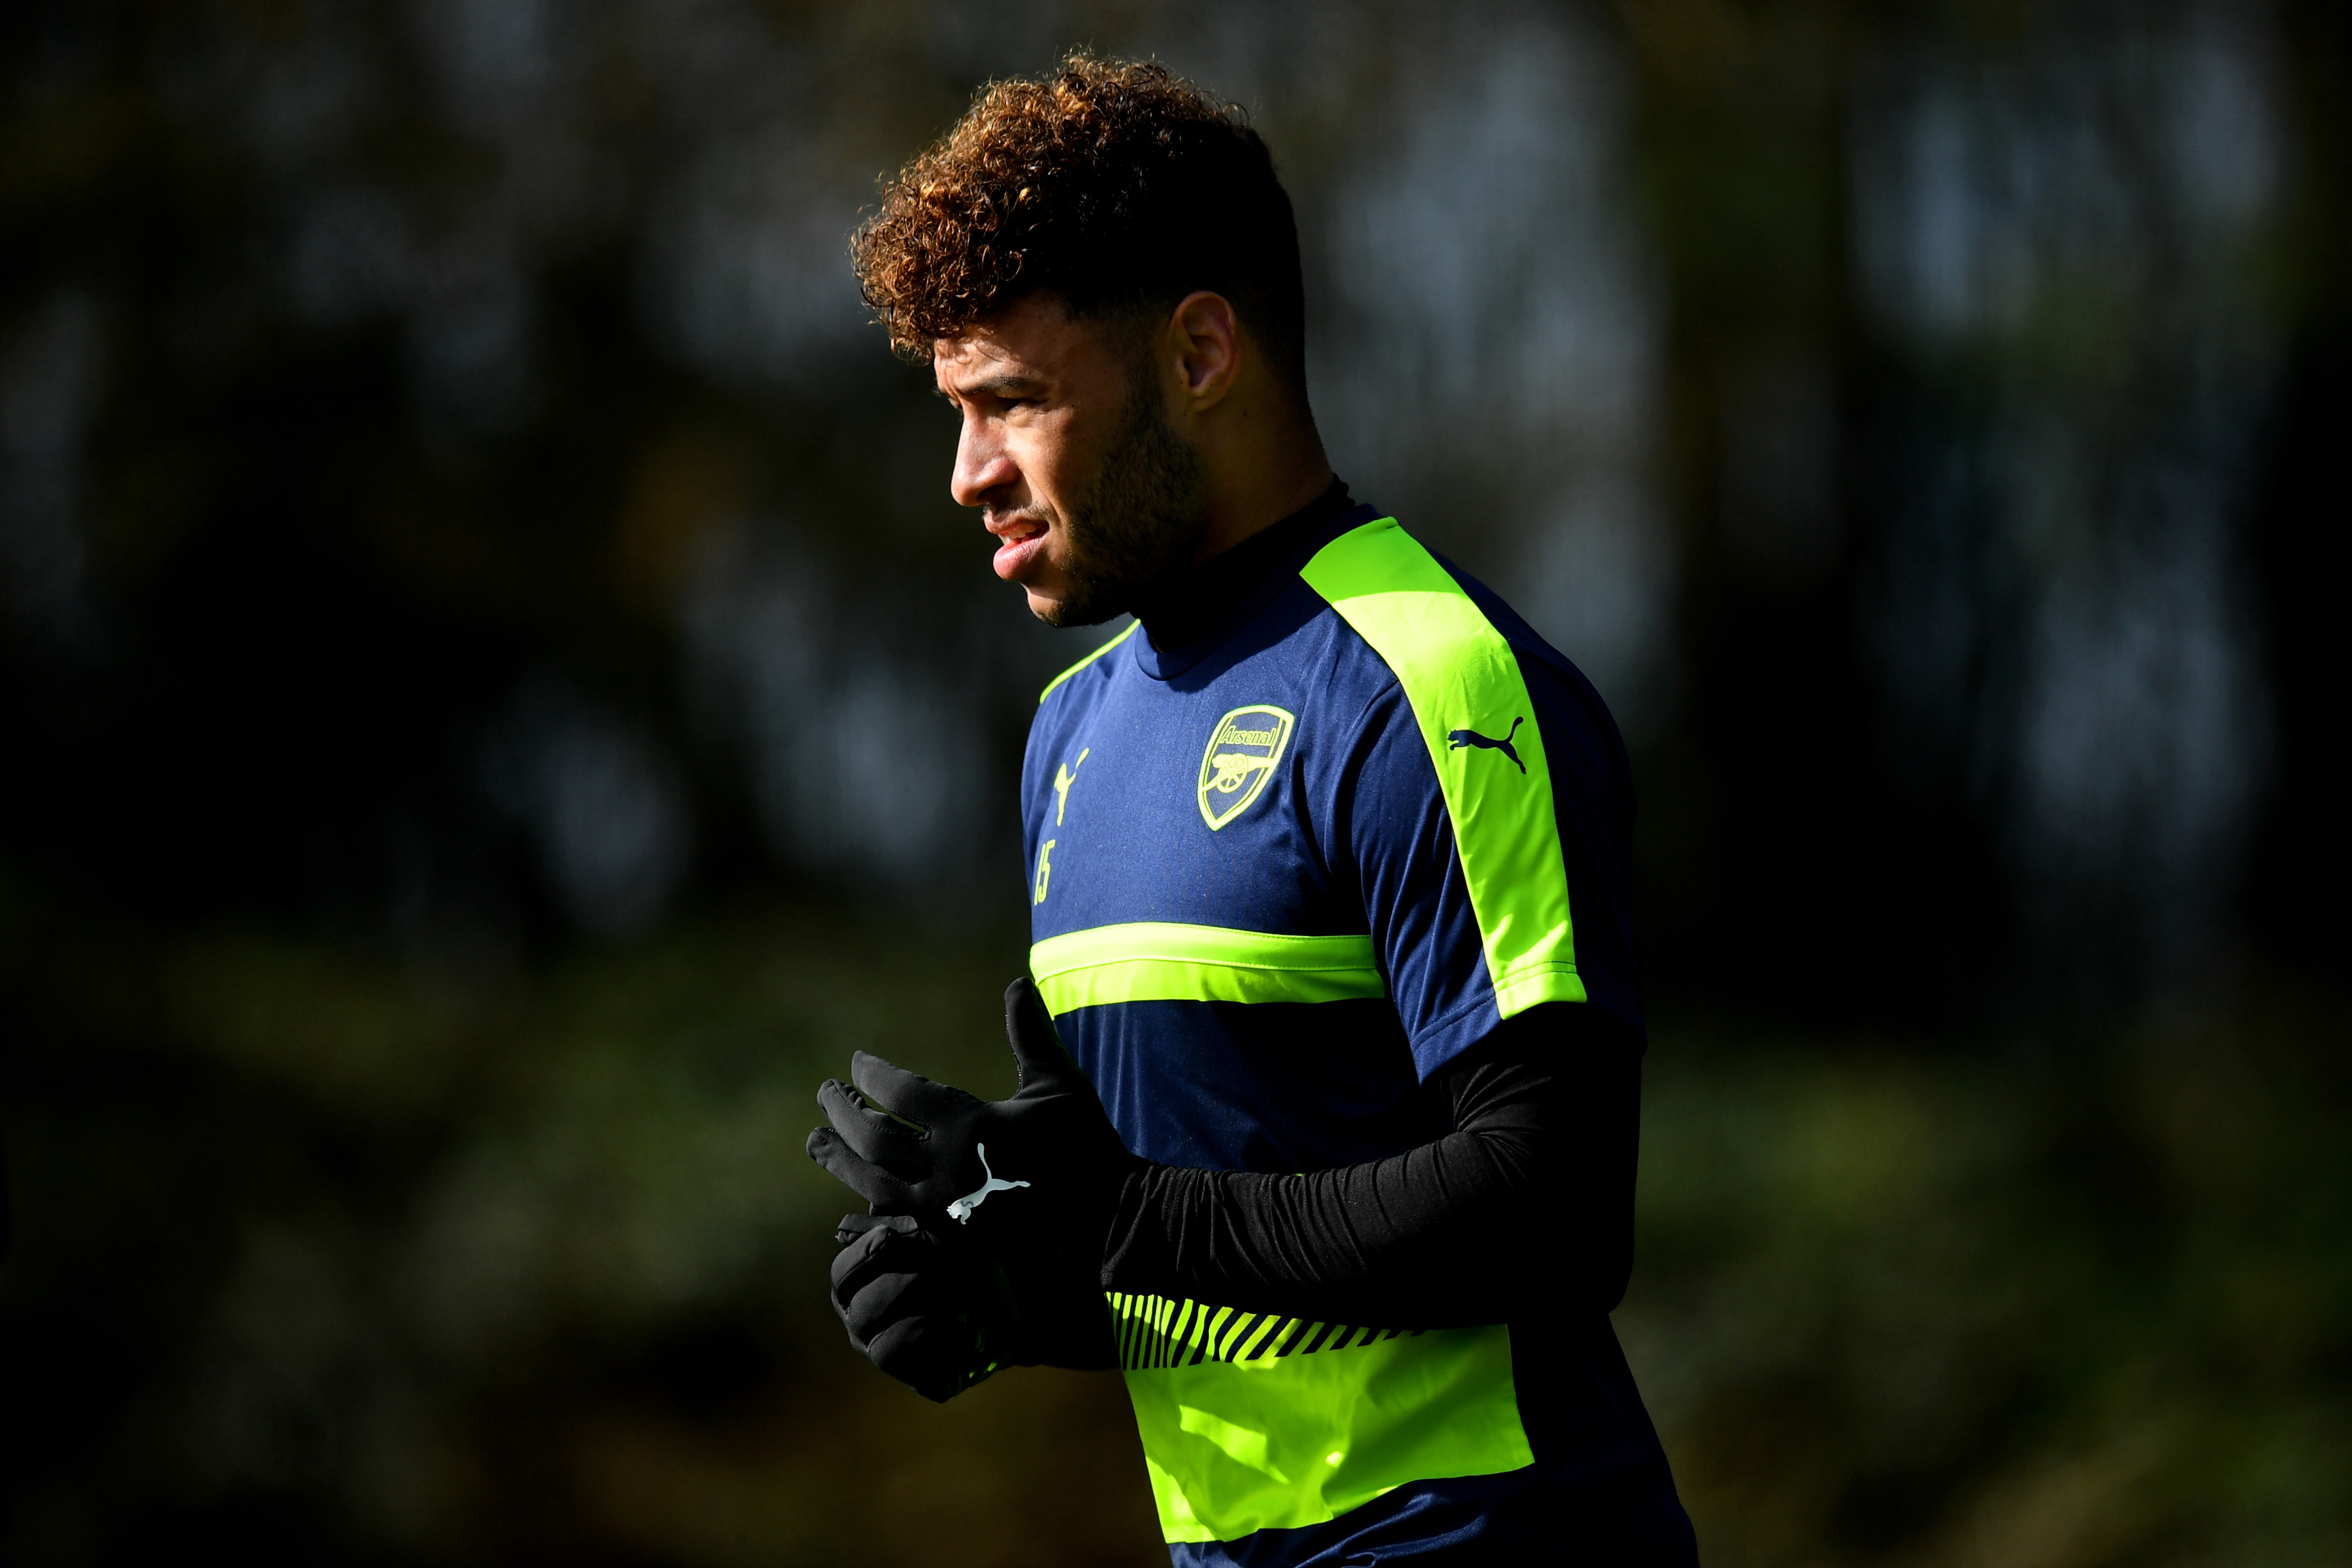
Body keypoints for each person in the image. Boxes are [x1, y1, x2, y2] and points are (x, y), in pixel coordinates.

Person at [806, 52, 1699, 1566]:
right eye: (955, 413)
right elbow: (1220, 1236)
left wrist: (1122, 1223)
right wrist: (1011, 1293)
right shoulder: (1069, 736)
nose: (967, 475)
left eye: (1010, 402)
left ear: (1201, 353)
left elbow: (1551, 1208)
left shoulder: (1434, 684)